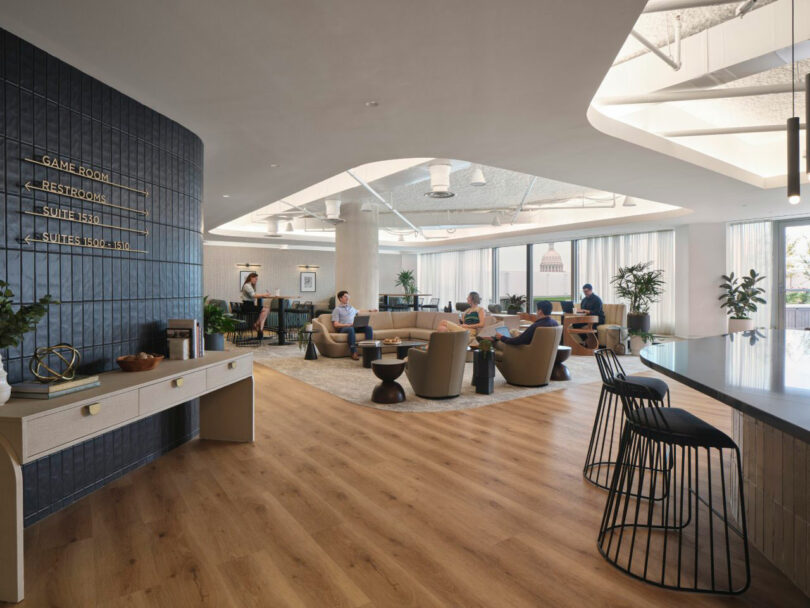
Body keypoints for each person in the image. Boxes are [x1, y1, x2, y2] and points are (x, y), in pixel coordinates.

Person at [493, 300, 558, 347]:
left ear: (540, 311)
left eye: (537, 310)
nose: (536, 312)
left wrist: (502, 337)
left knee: (497, 343)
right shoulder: (555, 324)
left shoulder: (536, 326)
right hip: (542, 352)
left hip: (525, 351)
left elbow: (517, 341)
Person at [331, 290, 374, 360]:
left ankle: (369, 350)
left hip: (354, 327)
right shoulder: (337, 309)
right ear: (340, 298)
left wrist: (370, 310)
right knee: (351, 329)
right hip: (344, 328)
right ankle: (353, 352)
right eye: (345, 296)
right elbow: (335, 324)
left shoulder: (351, 307)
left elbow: (359, 311)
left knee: (368, 328)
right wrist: (347, 325)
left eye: (348, 296)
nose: (347, 298)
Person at [241, 272, 271, 338]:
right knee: (266, 310)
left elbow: (254, 295)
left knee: (266, 310)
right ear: (251, 278)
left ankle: (258, 326)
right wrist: (263, 295)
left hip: (250, 305)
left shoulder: (250, 285)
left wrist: (263, 295)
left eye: (257, 279)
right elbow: (253, 295)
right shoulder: (247, 285)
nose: (256, 280)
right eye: (255, 279)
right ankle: (258, 327)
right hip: (247, 306)